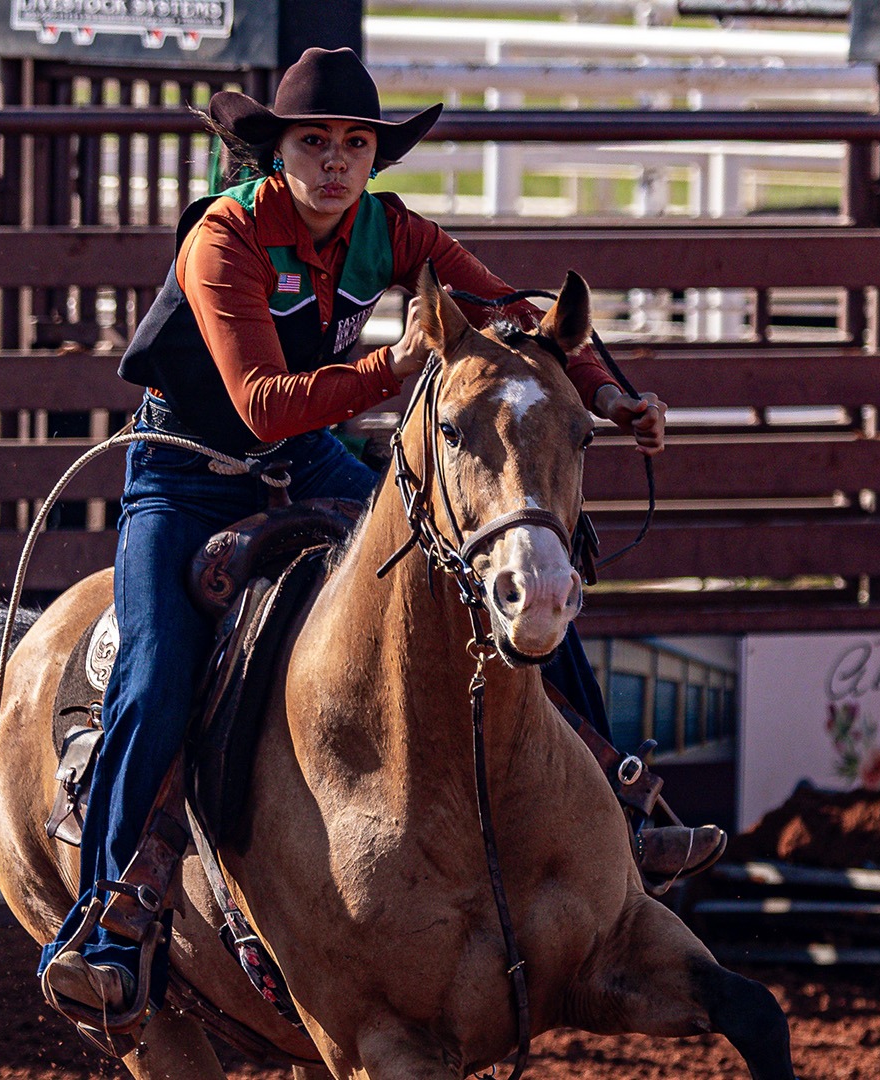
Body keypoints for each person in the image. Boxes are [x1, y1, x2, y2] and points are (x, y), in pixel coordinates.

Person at [41, 48, 722, 1013]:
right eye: (314, 142)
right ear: (275, 150)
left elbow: (511, 312)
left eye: (354, 144)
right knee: (153, 675)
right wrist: (396, 366)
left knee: (509, 575)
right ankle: (106, 923)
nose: (334, 161)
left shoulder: (389, 230)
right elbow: (265, 404)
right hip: (188, 475)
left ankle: (613, 799)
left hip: (309, 459)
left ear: (374, 156)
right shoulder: (224, 238)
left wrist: (610, 397)